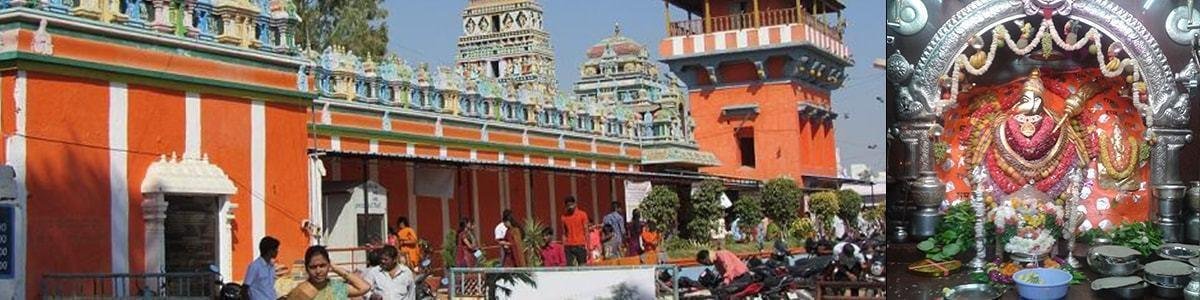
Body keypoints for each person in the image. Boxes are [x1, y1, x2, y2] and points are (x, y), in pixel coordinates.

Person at [286, 246, 371, 300]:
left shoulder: (336, 287)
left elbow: (364, 287)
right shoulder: (302, 291)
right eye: (313, 267)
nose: (318, 271)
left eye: (322, 266)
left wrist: (337, 269)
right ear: (307, 268)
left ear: (329, 265)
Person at [559, 196, 589, 266]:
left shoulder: (582, 215)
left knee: (583, 266)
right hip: (568, 245)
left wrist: (587, 245)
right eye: (568, 205)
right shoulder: (564, 217)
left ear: (575, 204)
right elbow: (564, 233)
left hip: (580, 244)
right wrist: (564, 245)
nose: (570, 207)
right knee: (569, 267)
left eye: (571, 205)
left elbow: (586, 231)